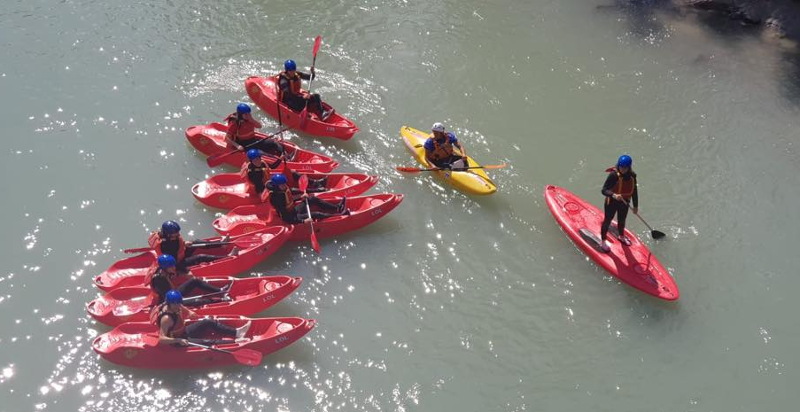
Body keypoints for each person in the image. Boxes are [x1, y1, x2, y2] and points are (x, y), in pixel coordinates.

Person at [150, 290, 250, 346]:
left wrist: (189, 312)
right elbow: (161, 339)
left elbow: (181, 306)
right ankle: (235, 342)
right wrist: (178, 341)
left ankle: (237, 333)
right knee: (207, 342)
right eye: (175, 304)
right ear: (169, 303)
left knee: (208, 322)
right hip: (177, 341)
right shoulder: (166, 319)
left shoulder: (174, 304)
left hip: (184, 332)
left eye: (179, 302)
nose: (178, 305)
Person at [148, 220, 237, 271]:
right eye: (175, 234)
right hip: (176, 264)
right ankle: (228, 257)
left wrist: (183, 244)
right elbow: (174, 258)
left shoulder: (168, 238)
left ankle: (221, 244)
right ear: (168, 234)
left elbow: (178, 247)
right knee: (201, 257)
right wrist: (182, 246)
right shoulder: (166, 245)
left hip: (178, 254)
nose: (178, 234)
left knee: (195, 242)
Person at [240, 149, 327, 197]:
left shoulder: (261, 162)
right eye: (255, 160)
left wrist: (280, 158)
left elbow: (272, 167)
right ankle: (316, 190)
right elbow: (260, 187)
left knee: (293, 173)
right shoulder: (253, 173)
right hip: (264, 189)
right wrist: (276, 184)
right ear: (251, 161)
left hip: (269, 181)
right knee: (287, 189)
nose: (258, 160)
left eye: (258, 158)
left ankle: (316, 183)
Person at [266, 174, 348, 224]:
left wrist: (301, 196)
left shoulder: (282, 189)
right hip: (290, 217)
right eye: (282, 184)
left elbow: (289, 198)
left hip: (293, 210)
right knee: (316, 214)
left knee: (311, 199)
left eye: (284, 183)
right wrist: (303, 221)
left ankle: (337, 207)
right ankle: (340, 215)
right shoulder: (276, 198)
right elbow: (286, 217)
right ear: (276, 186)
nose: (284, 185)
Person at [146, 255, 229, 305]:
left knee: (195, 280)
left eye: (173, 265)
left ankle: (220, 291)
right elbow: (169, 297)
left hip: (173, 292)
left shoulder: (164, 269)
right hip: (170, 300)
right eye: (171, 267)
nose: (174, 268)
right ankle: (221, 301)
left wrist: (183, 274)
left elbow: (177, 270)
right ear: (164, 268)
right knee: (197, 301)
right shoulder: (159, 280)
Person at [598, 154, 638, 252]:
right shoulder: (613, 175)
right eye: (621, 167)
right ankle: (603, 241)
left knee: (622, 220)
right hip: (611, 202)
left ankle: (621, 236)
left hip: (624, 202)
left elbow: (634, 191)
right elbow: (604, 190)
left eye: (625, 168)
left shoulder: (632, 176)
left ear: (629, 167)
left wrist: (636, 206)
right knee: (607, 221)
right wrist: (614, 195)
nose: (622, 169)